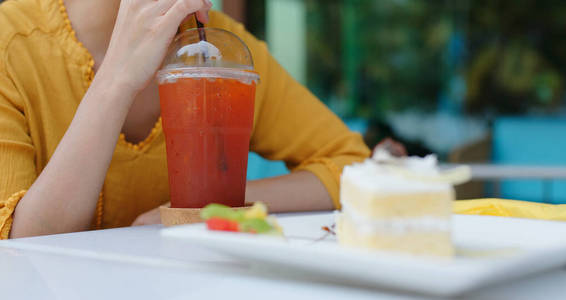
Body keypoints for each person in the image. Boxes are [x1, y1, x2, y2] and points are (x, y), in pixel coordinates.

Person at [0, 0, 370, 239]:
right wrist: (117, 79)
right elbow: (21, 245)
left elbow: (352, 167)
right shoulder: (11, 44)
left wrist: (203, 209)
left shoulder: (226, 52)